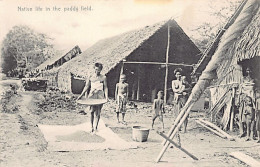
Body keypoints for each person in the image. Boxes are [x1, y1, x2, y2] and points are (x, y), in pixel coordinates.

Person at [77, 63, 108, 133]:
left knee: (98, 112)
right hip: (92, 95)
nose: (97, 71)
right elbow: (86, 86)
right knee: (91, 111)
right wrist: (81, 95)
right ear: (94, 68)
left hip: (100, 95)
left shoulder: (103, 77)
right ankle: (91, 127)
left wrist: (106, 97)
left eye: (98, 70)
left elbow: (106, 87)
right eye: (96, 69)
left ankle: (95, 127)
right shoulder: (90, 76)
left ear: (101, 70)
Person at [171, 68, 191, 133]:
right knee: (177, 112)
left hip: (184, 98)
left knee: (185, 112)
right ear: (175, 75)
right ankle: (178, 127)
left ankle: (184, 128)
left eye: (180, 74)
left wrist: (185, 90)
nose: (179, 76)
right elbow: (174, 90)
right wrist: (181, 92)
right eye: (177, 74)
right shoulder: (174, 82)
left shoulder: (184, 82)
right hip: (177, 99)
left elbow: (189, 88)